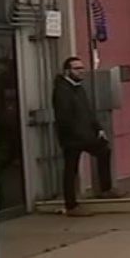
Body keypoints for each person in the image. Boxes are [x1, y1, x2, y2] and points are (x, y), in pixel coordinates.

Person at [53, 56, 116, 216]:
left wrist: (98, 128)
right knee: (70, 170)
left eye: (82, 68)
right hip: (72, 138)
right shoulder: (62, 90)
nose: (81, 71)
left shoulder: (78, 88)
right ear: (67, 71)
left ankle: (105, 188)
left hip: (85, 134)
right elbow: (64, 117)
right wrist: (79, 134)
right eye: (77, 68)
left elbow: (88, 111)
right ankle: (71, 205)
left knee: (104, 151)